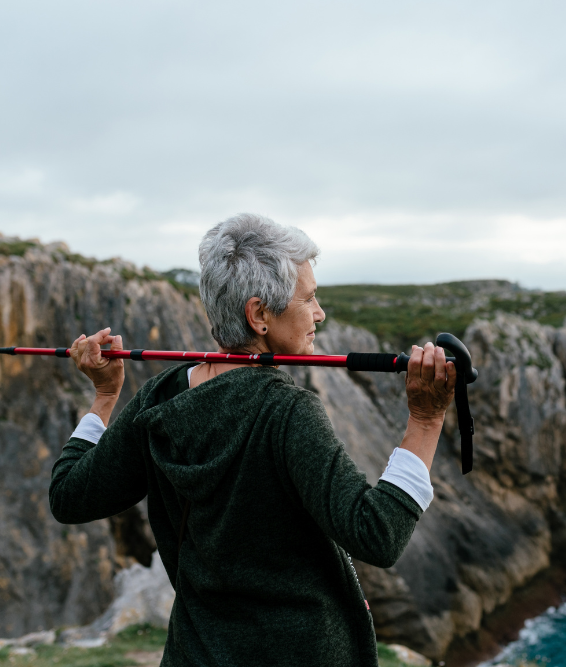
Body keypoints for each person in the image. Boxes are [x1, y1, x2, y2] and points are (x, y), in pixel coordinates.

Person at [49, 213, 455, 667]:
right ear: (259, 315)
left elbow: (69, 496)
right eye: (310, 298)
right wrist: (426, 419)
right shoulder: (285, 413)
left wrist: (105, 397)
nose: (319, 313)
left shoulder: (162, 396)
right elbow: (378, 534)